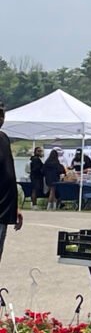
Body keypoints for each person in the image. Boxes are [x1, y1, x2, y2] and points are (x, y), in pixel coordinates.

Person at [0, 101, 23, 265]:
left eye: (2, 114)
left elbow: (9, 173)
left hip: (4, 210)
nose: (0, 118)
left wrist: (15, 207)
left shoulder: (4, 139)